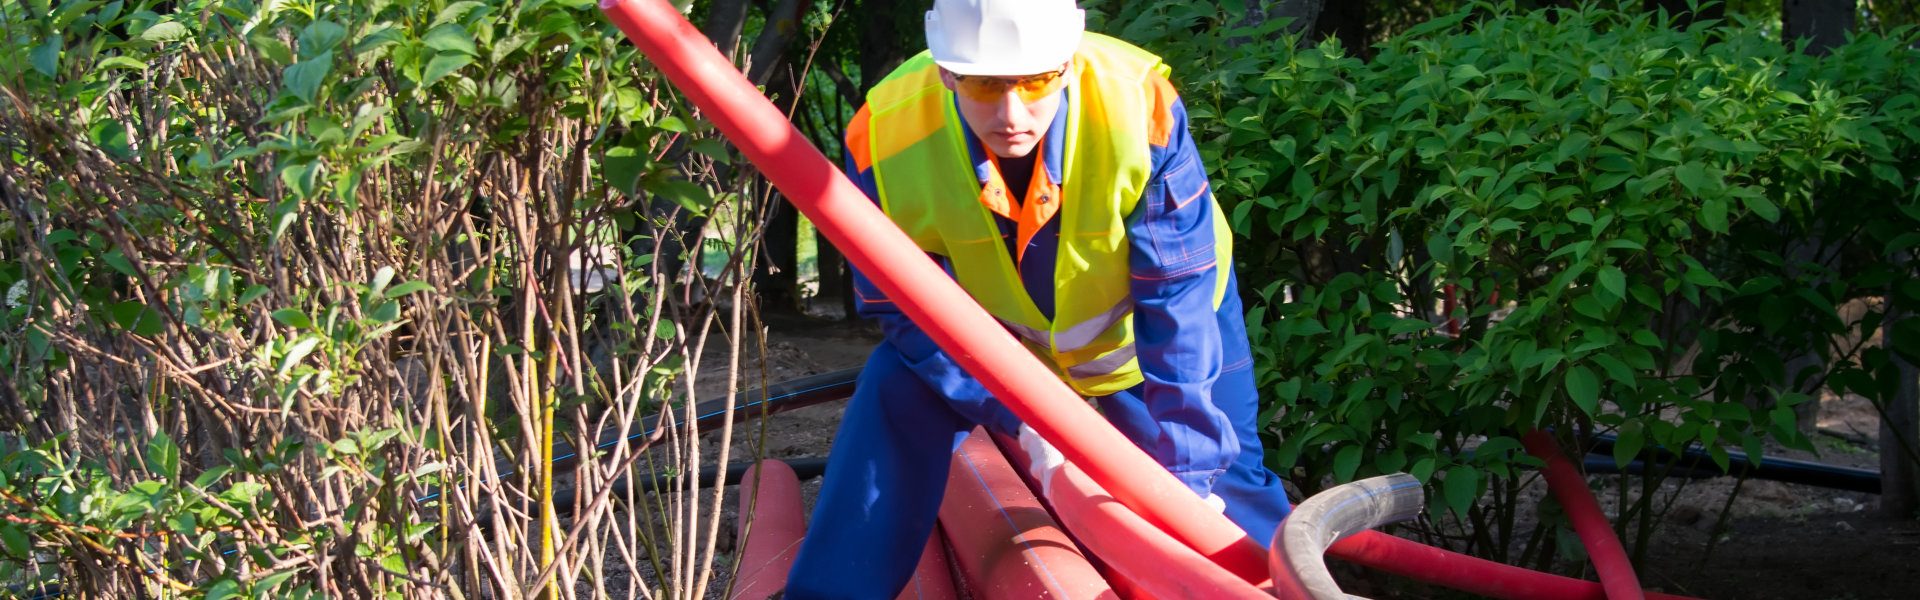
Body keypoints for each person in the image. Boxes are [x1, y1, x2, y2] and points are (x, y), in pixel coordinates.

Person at [782, 0, 1292, 596]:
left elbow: (1175, 300)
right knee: (896, 388)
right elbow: (900, 307)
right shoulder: (884, 134)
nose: (1012, 114)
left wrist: (1187, 477)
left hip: (1156, 329)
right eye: (982, 83)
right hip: (1006, 342)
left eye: (1038, 80)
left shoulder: (1137, 105)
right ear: (946, 71)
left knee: (1224, 484)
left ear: (1069, 61)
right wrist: (1026, 419)